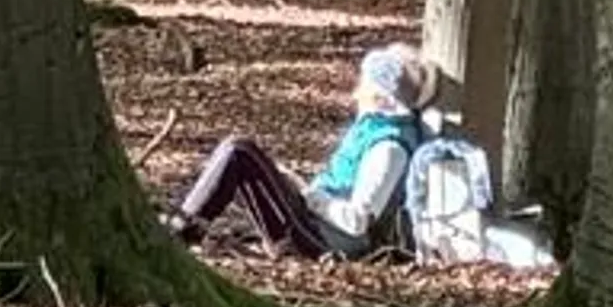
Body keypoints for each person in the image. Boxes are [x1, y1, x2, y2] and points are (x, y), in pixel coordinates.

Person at [172, 43, 436, 262]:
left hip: (322, 241)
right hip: (315, 225)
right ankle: (185, 226)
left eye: (366, 86)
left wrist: (309, 197)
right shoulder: (374, 133)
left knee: (239, 152)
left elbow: (358, 221)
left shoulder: (388, 148)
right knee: (242, 157)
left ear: (382, 99)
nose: (357, 93)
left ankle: (179, 234)